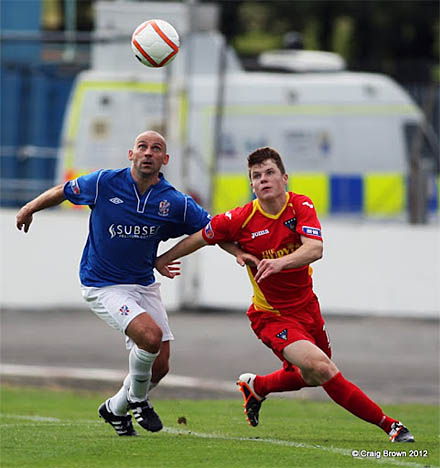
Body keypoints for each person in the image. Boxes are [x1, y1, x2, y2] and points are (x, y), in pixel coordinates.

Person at [155, 146, 415, 443]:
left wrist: (278, 263)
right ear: (251, 185)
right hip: (272, 316)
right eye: (256, 176)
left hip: (308, 309)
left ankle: (257, 386)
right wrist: (165, 259)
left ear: (284, 178)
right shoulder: (240, 218)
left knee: (312, 376)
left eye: (269, 173)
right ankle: (391, 425)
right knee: (322, 368)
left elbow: (315, 249)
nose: (263, 179)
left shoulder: (300, 206)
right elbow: (205, 235)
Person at [16, 130, 245, 437]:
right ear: (131, 154)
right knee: (149, 337)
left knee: (160, 366)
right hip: (102, 284)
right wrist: (30, 208)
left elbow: (212, 229)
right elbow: (63, 190)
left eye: (156, 149)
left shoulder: (174, 202)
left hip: (143, 284)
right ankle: (138, 400)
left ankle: (115, 408)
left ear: (165, 159)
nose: (148, 152)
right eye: (142, 147)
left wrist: (239, 252)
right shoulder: (102, 183)